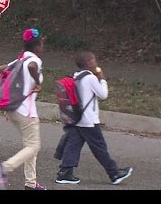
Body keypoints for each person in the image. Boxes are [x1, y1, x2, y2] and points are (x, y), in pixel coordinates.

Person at [54, 51, 133, 185]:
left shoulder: (76, 76)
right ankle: (114, 174)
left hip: (77, 118)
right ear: (89, 63)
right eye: (94, 60)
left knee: (73, 145)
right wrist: (101, 79)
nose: (96, 62)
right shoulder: (90, 78)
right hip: (89, 120)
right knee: (99, 147)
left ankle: (65, 173)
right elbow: (103, 94)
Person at [0, 28, 47, 190]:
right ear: (37, 46)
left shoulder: (19, 59)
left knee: (30, 147)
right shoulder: (34, 60)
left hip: (13, 109)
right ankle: (5, 168)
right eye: (42, 44)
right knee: (33, 146)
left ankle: (30, 183)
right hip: (26, 112)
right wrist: (37, 82)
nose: (43, 47)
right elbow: (32, 67)